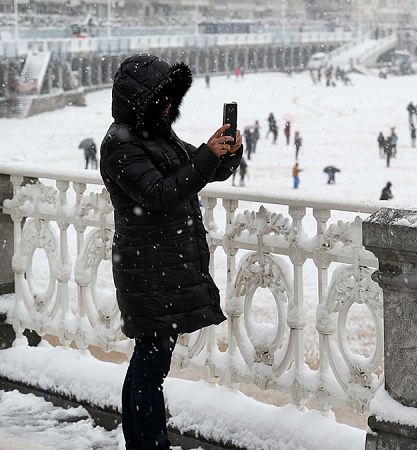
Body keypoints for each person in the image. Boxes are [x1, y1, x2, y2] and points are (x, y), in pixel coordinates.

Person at [100, 54, 241, 450]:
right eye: (160, 99)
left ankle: (144, 442)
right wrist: (207, 157)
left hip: (162, 263)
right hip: (147, 268)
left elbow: (193, 170)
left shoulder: (155, 133)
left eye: (170, 99)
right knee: (150, 364)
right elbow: (160, 194)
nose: (167, 107)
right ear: (138, 101)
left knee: (150, 361)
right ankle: (148, 443)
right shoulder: (120, 145)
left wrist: (225, 155)